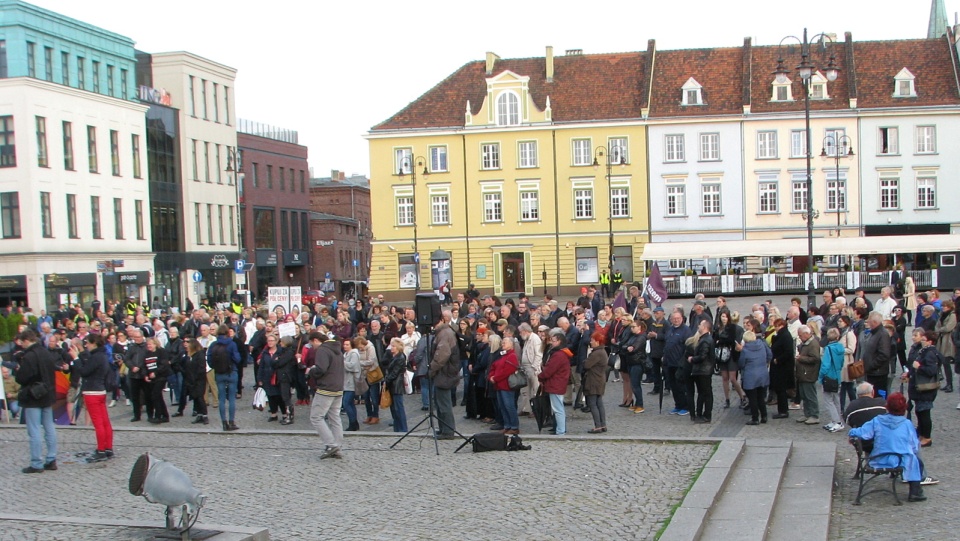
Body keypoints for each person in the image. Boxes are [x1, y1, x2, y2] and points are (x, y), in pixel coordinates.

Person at [848, 393, 928, 502]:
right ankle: (915, 492)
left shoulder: (877, 421)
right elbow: (914, 446)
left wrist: (852, 432)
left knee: (911, 459)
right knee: (915, 461)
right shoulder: (907, 424)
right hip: (900, 461)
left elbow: (863, 433)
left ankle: (915, 490)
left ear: (887, 406)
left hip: (879, 459)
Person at [15, 330, 64, 473]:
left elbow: (22, 378)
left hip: (33, 396)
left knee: (34, 430)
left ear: (25, 341)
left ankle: (36, 462)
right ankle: (51, 459)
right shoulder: (45, 352)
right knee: (49, 427)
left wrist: (19, 369)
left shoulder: (29, 356)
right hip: (47, 394)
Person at [307, 332, 345, 458]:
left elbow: (321, 369)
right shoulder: (337, 349)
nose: (312, 346)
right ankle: (338, 446)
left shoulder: (323, 350)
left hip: (326, 388)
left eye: (312, 343)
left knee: (316, 417)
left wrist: (311, 370)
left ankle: (331, 444)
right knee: (335, 417)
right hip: (338, 387)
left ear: (316, 340)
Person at [903, 329, 939, 447]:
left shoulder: (930, 353)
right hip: (920, 387)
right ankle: (922, 435)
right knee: (920, 412)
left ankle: (927, 437)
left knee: (924, 413)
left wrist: (919, 367)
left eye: (924, 340)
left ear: (930, 342)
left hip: (926, 388)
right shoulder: (924, 351)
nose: (922, 342)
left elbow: (932, 370)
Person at [428, 318, 460, 439]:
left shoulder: (445, 333)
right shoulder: (444, 333)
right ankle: (443, 429)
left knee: (444, 404)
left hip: (445, 373)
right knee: (440, 403)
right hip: (443, 373)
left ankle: (448, 431)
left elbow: (442, 355)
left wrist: (431, 369)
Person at [208, 325, 241, 431]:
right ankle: (231, 422)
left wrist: (216, 367)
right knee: (231, 398)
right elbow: (237, 358)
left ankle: (224, 423)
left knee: (221, 399)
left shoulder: (213, 344)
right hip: (231, 372)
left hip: (219, 373)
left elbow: (209, 360)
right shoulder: (232, 344)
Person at [539, 332, 572, 435]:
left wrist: (540, 376)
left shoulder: (559, 355)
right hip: (557, 384)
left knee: (558, 409)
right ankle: (559, 429)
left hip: (556, 384)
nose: (551, 343)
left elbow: (549, 370)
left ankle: (560, 430)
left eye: (553, 341)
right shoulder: (561, 353)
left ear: (559, 341)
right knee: (558, 408)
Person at [488, 336, 521, 435]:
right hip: (499, 385)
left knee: (509, 406)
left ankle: (514, 426)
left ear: (511, 344)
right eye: (502, 343)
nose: (503, 344)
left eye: (505, 343)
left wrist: (495, 378)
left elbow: (507, 371)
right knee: (502, 406)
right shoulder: (503, 355)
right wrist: (491, 376)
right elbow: (494, 366)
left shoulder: (512, 356)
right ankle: (507, 425)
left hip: (506, 385)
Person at [739, 331, 771, 425]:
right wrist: (764, 362)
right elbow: (770, 355)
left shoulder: (745, 350)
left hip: (750, 376)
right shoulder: (763, 344)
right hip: (763, 374)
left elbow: (741, 363)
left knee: (752, 398)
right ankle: (764, 416)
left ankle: (755, 418)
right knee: (761, 396)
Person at [716, 311, 745, 409]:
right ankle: (727, 399)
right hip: (721, 355)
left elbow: (732, 340)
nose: (723, 318)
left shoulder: (732, 328)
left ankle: (742, 396)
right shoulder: (718, 328)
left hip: (731, 355)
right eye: (722, 316)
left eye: (725, 316)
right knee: (724, 377)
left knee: (732, 378)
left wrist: (721, 340)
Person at [687, 319, 715, 423]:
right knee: (703, 393)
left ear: (704, 327)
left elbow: (703, 356)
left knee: (706, 393)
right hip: (703, 370)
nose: (698, 326)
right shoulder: (704, 339)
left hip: (704, 370)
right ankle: (701, 414)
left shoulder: (706, 340)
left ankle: (707, 415)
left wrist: (692, 359)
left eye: (700, 325)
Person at [795, 325, 821, 426]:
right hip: (803, 373)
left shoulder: (813, 344)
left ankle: (814, 415)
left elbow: (815, 359)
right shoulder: (805, 343)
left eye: (800, 335)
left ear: (806, 334)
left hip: (809, 374)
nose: (799, 337)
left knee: (810, 395)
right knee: (804, 395)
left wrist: (801, 358)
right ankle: (807, 414)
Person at [820, 328, 845, 432]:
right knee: (836, 399)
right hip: (838, 375)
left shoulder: (828, 349)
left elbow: (825, 365)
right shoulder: (841, 348)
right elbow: (842, 362)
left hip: (829, 376)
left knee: (828, 400)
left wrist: (821, 376)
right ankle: (836, 420)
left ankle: (837, 421)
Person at [583, 331, 609, 433]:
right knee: (599, 403)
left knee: (593, 404)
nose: (591, 342)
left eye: (592, 340)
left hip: (593, 380)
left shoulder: (596, 353)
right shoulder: (602, 352)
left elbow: (586, 365)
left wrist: (585, 360)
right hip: (600, 379)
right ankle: (603, 425)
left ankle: (598, 426)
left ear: (597, 342)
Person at [769, 319, 795, 419]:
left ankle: (783, 411)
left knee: (781, 390)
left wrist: (777, 360)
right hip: (780, 367)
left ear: (781, 326)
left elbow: (788, 352)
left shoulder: (785, 336)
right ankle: (782, 410)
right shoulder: (781, 335)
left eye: (776, 326)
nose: (775, 328)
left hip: (782, 367)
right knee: (780, 390)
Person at [621, 319, 648, 414]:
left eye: (633, 327)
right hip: (631, 362)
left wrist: (628, 348)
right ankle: (637, 403)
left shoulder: (641, 337)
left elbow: (634, 348)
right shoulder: (633, 336)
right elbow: (624, 346)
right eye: (631, 327)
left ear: (639, 327)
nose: (631, 328)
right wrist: (627, 347)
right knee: (633, 384)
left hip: (637, 363)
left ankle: (640, 404)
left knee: (636, 385)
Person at [143, 338, 171, 424]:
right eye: (148, 345)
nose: (149, 346)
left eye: (151, 344)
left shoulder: (161, 352)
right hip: (151, 377)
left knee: (155, 395)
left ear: (155, 344)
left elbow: (164, 364)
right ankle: (165, 415)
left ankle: (158, 416)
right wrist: (145, 375)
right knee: (158, 396)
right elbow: (144, 365)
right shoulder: (147, 354)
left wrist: (156, 373)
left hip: (161, 377)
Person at [517, 323, 542, 418]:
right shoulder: (527, 339)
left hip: (532, 368)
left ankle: (536, 409)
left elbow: (538, 354)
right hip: (525, 368)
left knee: (535, 389)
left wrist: (535, 367)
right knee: (525, 390)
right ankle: (526, 408)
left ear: (525, 331)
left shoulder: (535, 339)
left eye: (520, 332)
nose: (520, 334)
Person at [384, 338, 409, 433]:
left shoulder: (400, 357)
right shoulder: (394, 356)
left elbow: (394, 373)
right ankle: (397, 427)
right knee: (394, 408)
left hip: (397, 385)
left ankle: (403, 428)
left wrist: (386, 380)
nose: (391, 348)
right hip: (392, 385)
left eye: (393, 346)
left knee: (399, 408)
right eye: (391, 346)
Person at [183, 338, 209, 424]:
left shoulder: (199, 355)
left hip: (199, 380)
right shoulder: (190, 356)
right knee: (196, 398)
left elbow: (201, 368)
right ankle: (199, 414)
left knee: (200, 397)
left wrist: (195, 377)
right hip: (191, 380)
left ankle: (204, 415)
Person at [934, 299, 956, 393]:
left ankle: (950, 384)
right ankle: (941, 381)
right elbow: (936, 326)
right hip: (941, 339)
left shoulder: (953, 315)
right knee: (939, 361)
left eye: (945, 306)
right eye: (943, 306)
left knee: (946, 363)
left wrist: (939, 330)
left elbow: (948, 328)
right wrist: (939, 330)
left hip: (948, 340)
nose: (943, 308)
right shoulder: (941, 315)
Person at [341, 338, 361, 432]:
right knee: (350, 404)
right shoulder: (345, 354)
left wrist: (342, 362)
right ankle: (354, 423)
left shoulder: (354, 354)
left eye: (347, 344)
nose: (345, 346)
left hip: (352, 382)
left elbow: (353, 366)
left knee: (346, 403)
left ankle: (353, 423)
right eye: (344, 344)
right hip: (346, 381)